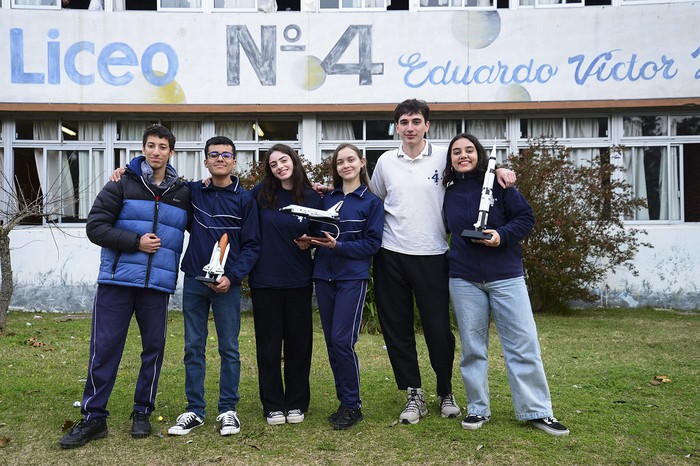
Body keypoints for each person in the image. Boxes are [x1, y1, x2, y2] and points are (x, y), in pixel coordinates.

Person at [369, 99, 516, 424]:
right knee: (398, 330)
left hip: (434, 256)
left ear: (427, 125)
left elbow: (474, 171)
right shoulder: (385, 162)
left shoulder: (441, 156)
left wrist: (501, 168)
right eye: (404, 122)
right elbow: (373, 200)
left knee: (438, 330)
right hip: (391, 255)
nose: (410, 127)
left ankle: (445, 390)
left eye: (416, 121)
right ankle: (413, 393)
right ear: (397, 127)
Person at [60, 125, 192, 449]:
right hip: (116, 282)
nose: (156, 151)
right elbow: (95, 227)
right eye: (151, 145)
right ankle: (94, 418)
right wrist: (135, 242)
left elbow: (213, 209)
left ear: (171, 152)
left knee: (154, 351)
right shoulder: (122, 182)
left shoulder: (182, 192)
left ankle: (142, 412)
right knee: (104, 350)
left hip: (157, 286)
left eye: (163, 146)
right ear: (143, 148)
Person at [442, 133, 569, 436]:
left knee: (523, 344)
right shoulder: (446, 191)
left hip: (506, 276)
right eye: (456, 152)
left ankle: (537, 411)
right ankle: (477, 409)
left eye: (469, 150)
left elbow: (526, 217)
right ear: (449, 159)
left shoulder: (501, 184)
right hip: (463, 278)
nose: (463, 156)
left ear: (479, 154)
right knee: (473, 349)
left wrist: (502, 236)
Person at [167, 136, 260, 437]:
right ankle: (194, 409)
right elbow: (162, 177)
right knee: (193, 346)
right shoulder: (194, 191)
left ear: (234, 162)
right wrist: (124, 170)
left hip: (226, 286)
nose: (220, 158)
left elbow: (252, 246)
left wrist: (231, 278)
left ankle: (227, 410)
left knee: (229, 348)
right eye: (214, 154)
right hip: (195, 279)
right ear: (206, 161)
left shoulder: (245, 200)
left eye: (226, 154)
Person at [299, 144, 383, 430]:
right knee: (333, 343)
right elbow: (314, 231)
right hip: (324, 276)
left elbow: (372, 244)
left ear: (361, 162)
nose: (345, 165)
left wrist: (340, 246)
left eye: (350, 160)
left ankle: (353, 405)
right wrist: (306, 240)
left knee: (342, 341)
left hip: (351, 277)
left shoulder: (371, 202)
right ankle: (344, 401)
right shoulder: (327, 198)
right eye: (340, 162)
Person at [248, 144, 323, 426]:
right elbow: (234, 204)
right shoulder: (260, 194)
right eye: (273, 164)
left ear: (294, 160)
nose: (280, 167)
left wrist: (310, 242)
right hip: (265, 281)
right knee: (268, 346)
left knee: (298, 345)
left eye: (284, 160)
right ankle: (272, 404)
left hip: (298, 281)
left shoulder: (313, 197)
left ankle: (296, 402)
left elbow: (320, 234)